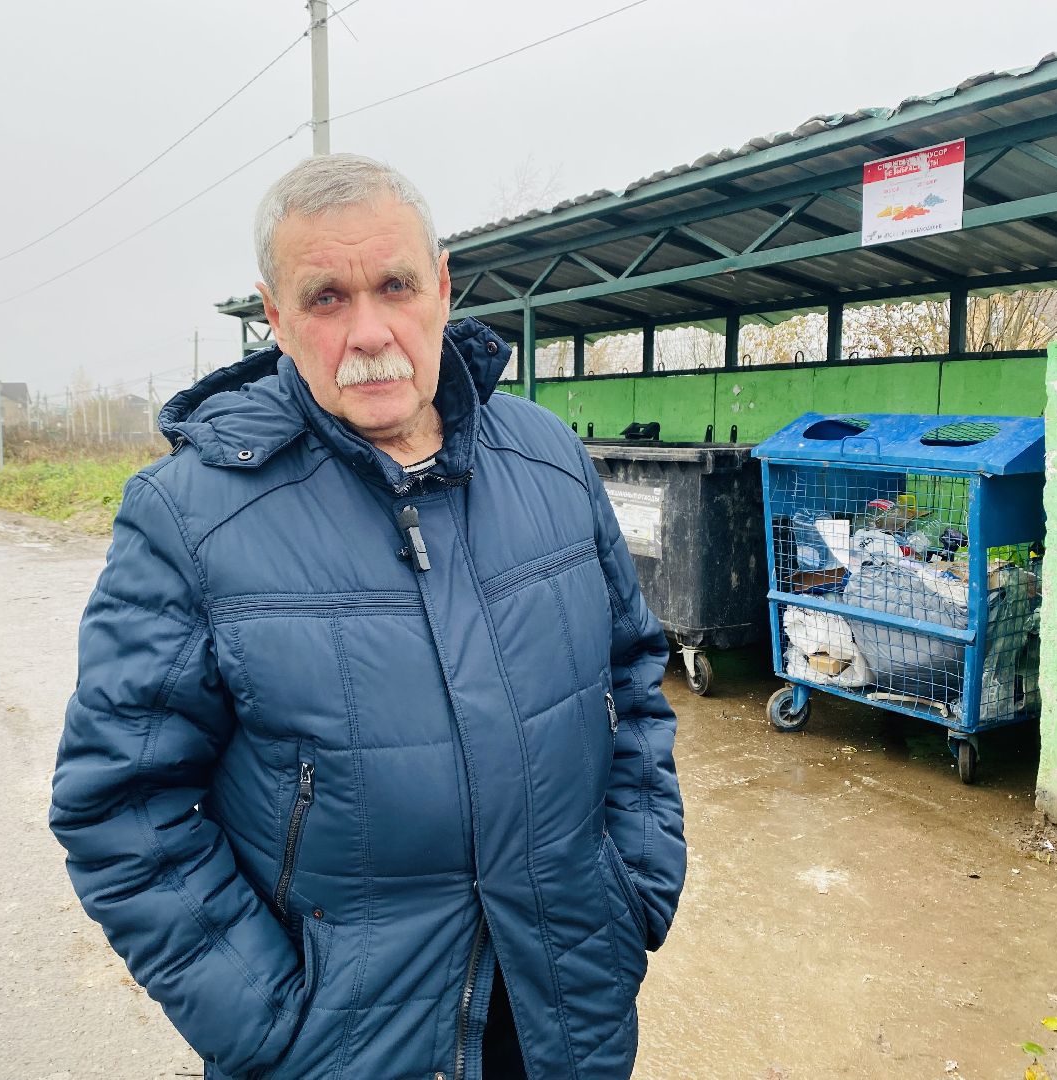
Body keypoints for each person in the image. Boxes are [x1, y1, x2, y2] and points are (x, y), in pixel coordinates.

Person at [50, 153, 686, 1080]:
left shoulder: (549, 457)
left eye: (395, 285)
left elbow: (631, 680)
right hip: (348, 1049)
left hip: (567, 1014)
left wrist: (634, 889)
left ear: (441, 288)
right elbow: (120, 808)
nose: (369, 331)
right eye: (325, 298)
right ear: (274, 318)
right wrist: (273, 1027)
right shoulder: (188, 517)